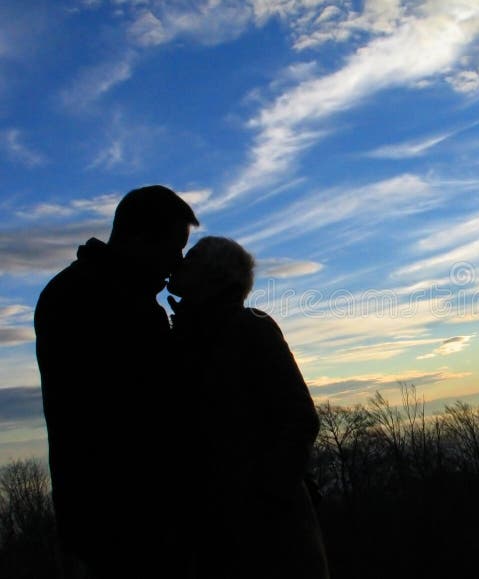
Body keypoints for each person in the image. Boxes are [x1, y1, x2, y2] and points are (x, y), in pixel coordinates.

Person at [34, 185, 199, 578]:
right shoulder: (99, 298)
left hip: (116, 516)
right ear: (140, 239)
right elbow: (144, 406)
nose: (177, 261)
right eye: (174, 247)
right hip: (127, 518)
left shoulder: (108, 292)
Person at [167, 236, 329, 579]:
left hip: (269, 537)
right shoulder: (186, 337)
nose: (179, 262)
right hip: (216, 533)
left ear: (213, 276)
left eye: (191, 258)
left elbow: (300, 417)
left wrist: (266, 497)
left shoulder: (251, 327)